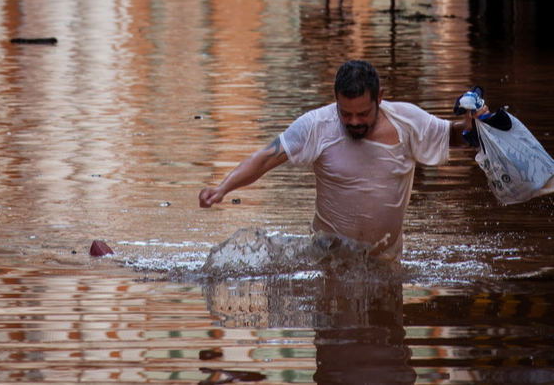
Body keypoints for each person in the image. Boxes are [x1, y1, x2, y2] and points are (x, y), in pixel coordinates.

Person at [199, 59, 488, 263]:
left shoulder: (406, 121)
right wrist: (223, 189)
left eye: (362, 114)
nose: (353, 121)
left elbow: (452, 136)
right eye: (345, 113)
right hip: (329, 262)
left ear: (380, 98)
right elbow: (265, 158)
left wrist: (472, 124)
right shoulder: (317, 125)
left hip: (384, 264)